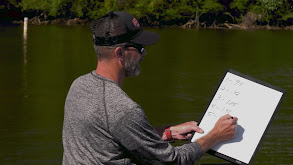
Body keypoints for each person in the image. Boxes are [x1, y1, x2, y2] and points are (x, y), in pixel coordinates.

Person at [62, 11, 238, 165]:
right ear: (119, 53)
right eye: (139, 47)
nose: (144, 53)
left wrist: (167, 133)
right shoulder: (124, 110)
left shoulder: (78, 85)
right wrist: (214, 136)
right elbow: (174, 161)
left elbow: (115, 137)